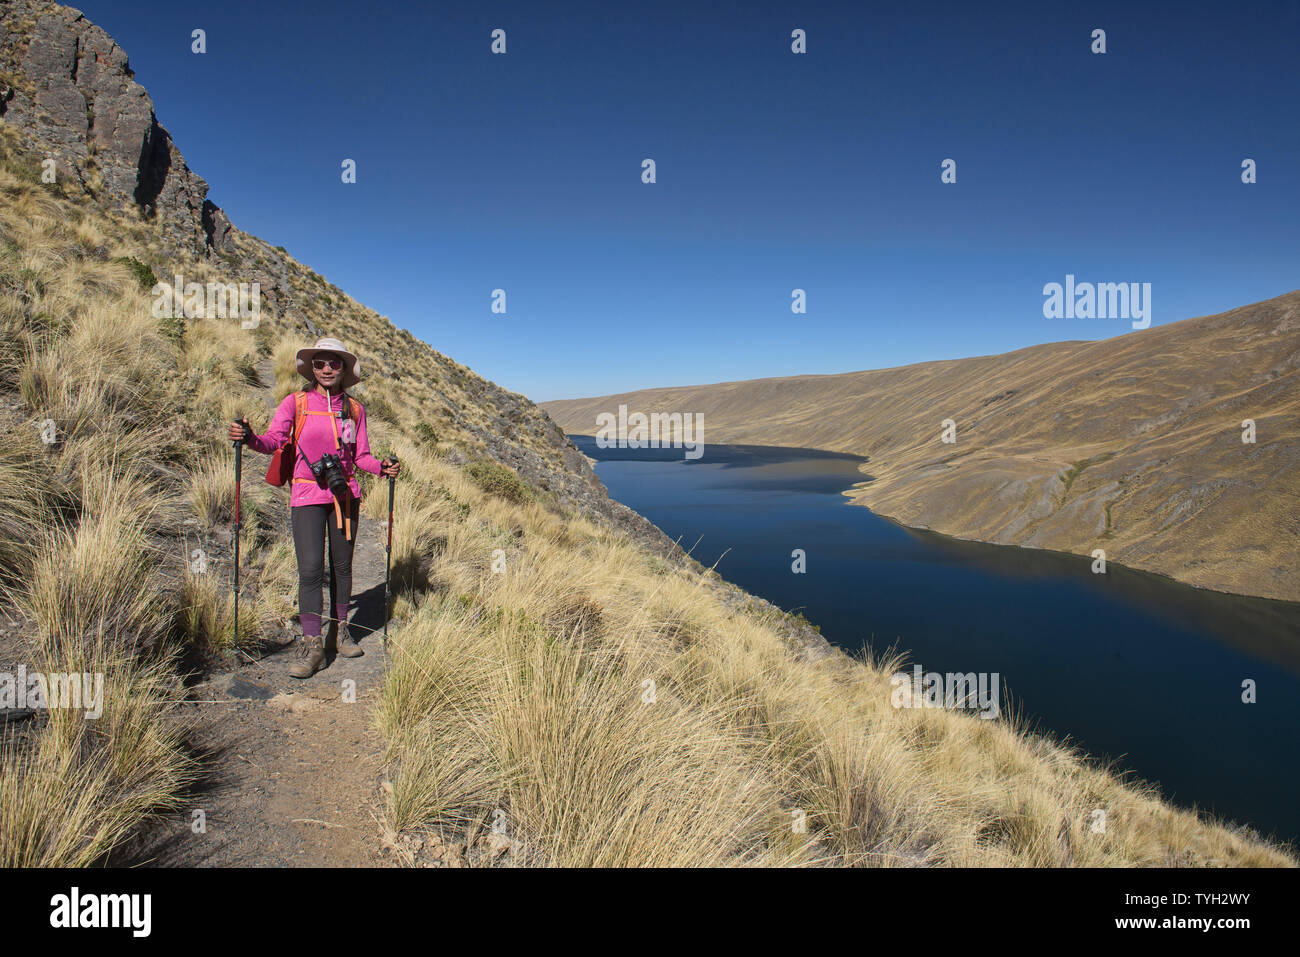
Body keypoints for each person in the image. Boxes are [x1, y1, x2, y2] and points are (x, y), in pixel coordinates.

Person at [228, 337, 401, 678]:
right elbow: (273, 442)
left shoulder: (354, 410)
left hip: (344, 497)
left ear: (343, 369)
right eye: (320, 363)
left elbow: (361, 456)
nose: (326, 369)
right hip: (307, 495)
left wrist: (382, 468)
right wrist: (247, 438)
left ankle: (340, 632)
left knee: (342, 567)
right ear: (312, 368)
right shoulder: (296, 403)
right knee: (309, 570)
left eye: (334, 364)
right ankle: (312, 645)